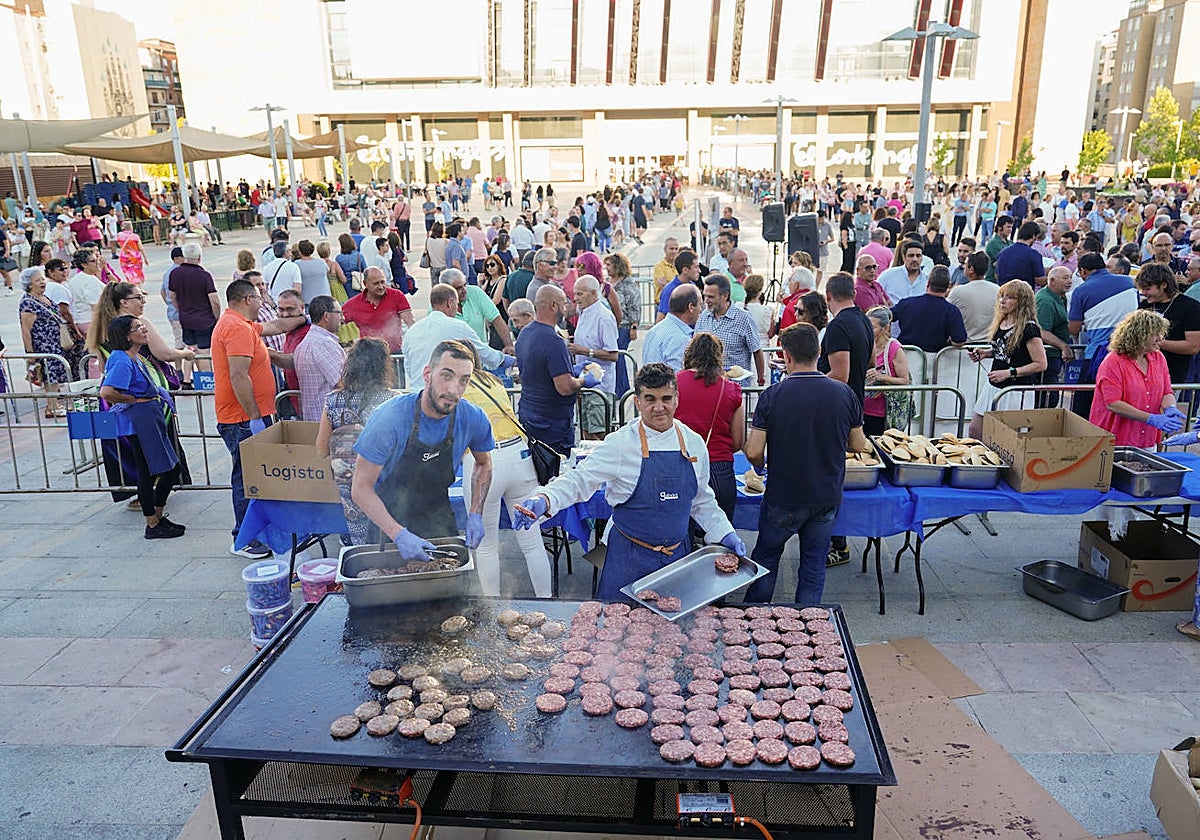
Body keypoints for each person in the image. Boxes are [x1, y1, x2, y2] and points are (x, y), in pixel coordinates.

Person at [513, 363, 743, 598]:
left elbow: (701, 500)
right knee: (616, 629)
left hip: (677, 559)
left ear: (677, 399)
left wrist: (724, 532)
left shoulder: (693, 443)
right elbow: (579, 479)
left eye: (666, 398)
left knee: (674, 629)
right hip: (628, 559)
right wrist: (544, 498)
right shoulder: (620, 444)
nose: (658, 407)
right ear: (637, 402)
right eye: (650, 399)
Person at [743, 323, 867, 604]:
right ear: (819, 352)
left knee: (765, 561)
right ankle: (807, 622)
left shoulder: (772, 396)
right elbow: (858, 444)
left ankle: (754, 617)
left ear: (786, 356)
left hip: (783, 495)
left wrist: (761, 466)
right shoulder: (844, 393)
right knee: (813, 566)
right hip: (825, 495)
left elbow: (753, 450)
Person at [351, 339, 494, 558]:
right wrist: (398, 534)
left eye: (463, 381)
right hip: (388, 522)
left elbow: (483, 463)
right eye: (446, 376)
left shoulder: (473, 418)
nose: (453, 389)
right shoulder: (389, 418)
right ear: (427, 374)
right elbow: (360, 488)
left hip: (439, 519)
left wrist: (476, 513)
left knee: (448, 588)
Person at [211, 279, 307, 558]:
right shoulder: (236, 328)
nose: (263, 303)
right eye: (259, 298)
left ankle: (254, 532)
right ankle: (244, 538)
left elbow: (276, 326)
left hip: (248, 415)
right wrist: (254, 417)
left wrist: (305, 317)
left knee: (251, 475)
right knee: (246, 477)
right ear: (247, 299)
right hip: (242, 418)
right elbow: (238, 374)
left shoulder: (239, 324)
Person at [457, 343, 553, 597]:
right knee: (532, 543)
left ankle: (493, 611)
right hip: (519, 457)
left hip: (483, 459)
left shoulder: (455, 385)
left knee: (486, 546)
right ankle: (548, 601)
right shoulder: (491, 381)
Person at [98, 315, 184, 539]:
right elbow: (107, 392)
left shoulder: (133, 356)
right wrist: (133, 401)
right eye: (138, 327)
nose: (144, 329)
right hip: (140, 419)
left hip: (148, 416)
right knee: (157, 470)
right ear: (127, 336)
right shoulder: (122, 359)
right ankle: (153, 523)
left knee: (166, 468)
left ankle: (156, 518)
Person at [315, 338, 395, 546]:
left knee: (359, 538)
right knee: (388, 534)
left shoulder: (333, 400)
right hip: (384, 478)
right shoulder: (392, 400)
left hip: (348, 480)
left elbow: (321, 449)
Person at [817, 272, 873, 566]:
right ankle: (835, 540)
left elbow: (840, 375)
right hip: (853, 405)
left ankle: (836, 544)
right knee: (835, 476)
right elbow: (871, 362)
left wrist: (808, 379)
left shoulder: (838, 325)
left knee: (831, 479)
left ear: (828, 297)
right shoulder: (863, 319)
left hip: (837, 410)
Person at [515, 285, 600, 457]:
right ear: (553, 305)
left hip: (530, 414)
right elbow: (565, 387)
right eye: (563, 303)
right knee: (556, 473)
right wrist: (584, 380)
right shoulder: (554, 341)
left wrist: (570, 370)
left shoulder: (525, 333)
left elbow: (538, 370)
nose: (567, 308)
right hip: (551, 422)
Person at [675, 332, 744, 523]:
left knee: (680, 538)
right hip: (718, 468)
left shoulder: (673, 384)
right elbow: (738, 442)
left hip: (680, 465)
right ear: (718, 357)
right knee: (719, 535)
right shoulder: (731, 390)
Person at [967, 280, 1049, 438]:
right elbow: (1005, 350)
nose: (1002, 301)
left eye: (1009, 297)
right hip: (994, 386)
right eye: (1001, 296)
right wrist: (986, 353)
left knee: (1008, 438)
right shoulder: (1002, 322)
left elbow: (1041, 363)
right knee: (975, 430)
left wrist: (1009, 372)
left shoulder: (1029, 328)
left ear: (1021, 302)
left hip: (1016, 391)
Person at [1089, 309, 1182, 447]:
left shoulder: (1158, 358)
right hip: (1116, 440)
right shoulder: (1113, 362)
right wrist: (1150, 418)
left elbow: (1166, 391)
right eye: (1155, 334)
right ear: (1139, 336)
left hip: (1148, 439)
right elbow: (1113, 403)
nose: (1160, 339)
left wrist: (1170, 408)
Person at [1068, 252, 1140, 419]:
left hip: (1097, 355)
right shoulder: (1130, 283)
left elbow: (1074, 329)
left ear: (1083, 271)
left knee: (1084, 403)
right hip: (1130, 353)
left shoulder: (1080, 291)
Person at [402, 282, 510, 389]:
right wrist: (506, 360)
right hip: (442, 395)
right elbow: (483, 352)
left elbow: (408, 367)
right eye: (456, 304)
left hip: (416, 393)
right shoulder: (458, 327)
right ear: (450, 303)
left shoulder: (412, 331)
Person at [567, 274, 618, 438]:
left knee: (599, 435)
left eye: (580, 294)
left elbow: (613, 354)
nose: (575, 298)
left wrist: (584, 351)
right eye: (575, 294)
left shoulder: (604, 317)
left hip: (600, 388)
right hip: (584, 385)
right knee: (586, 434)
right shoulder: (583, 313)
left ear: (594, 294)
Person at [1135, 262, 1200, 387]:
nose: (1143, 292)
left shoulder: (1190, 307)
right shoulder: (1145, 306)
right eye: (1142, 288)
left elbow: (1193, 347)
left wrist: (1155, 343)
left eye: (1147, 288)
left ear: (1164, 285)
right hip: (1146, 374)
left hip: (1178, 376)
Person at [18, 267, 70, 417]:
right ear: (29, 284)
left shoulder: (44, 297)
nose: (42, 282)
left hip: (54, 343)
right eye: (37, 280)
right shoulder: (28, 302)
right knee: (49, 376)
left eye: (42, 279)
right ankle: (51, 406)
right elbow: (26, 330)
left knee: (54, 377)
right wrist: (31, 354)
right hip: (43, 345)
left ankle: (55, 404)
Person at [696, 273, 764, 387]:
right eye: (705, 296)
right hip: (708, 386)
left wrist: (760, 381)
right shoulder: (704, 316)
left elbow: (757, 351)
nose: (706, 301)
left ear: (725, 296)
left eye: (711, 297)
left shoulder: (743, 318)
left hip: (735, 387)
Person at [891, 266, 968, 353]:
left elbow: (887, 316)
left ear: (928, 283)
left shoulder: (906, 303)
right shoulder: (952, 311)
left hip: (905, 357)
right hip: (935, 360)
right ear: (948, 286)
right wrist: (948, 344)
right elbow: (959, 340)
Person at [294, 296, 347, 422]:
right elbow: (343, 383)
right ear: (327, 316)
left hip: (316, 420)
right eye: (339, 313)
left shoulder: (309, 341)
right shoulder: (323, 344)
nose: (342, 318)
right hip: (328, 423)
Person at [341, 266, 415, 354]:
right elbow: (335, 321)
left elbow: (410, 322)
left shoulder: (396, 295)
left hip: (394, 353)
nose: (381, 286)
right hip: (368, 356)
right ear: (365, 284)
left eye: (382, 282)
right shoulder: (353, 304)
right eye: (376, 283)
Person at [862, 307, 911, 436]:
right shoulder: (864, 344)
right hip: (862, 409)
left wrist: (881, 377)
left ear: (885, 328)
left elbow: (905, 380)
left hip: (884, 414)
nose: (868, 330)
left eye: (872, 327)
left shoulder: (894, 348)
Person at [441, 268, 515, 353]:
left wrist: (508, 345)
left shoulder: (475, 292)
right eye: (459, 288)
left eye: (465, 285)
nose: (464, 290)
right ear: (446, 290)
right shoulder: (438, 305)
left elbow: (496, 319)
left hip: (480, 357)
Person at [1035, 265, 1075, 407]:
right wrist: (1063, 346)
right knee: (1047, 400)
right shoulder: (1045, 301)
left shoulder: (1060, 297)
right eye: (1065, 278)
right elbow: (1041, 331)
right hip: (1046, 358)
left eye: (1070, 277)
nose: (1069, 281)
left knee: (1051, 399)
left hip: (1054, 358)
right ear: (1051, 281)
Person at [642, 283, 700, 371]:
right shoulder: (680, 338)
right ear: (691, 307)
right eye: (700, 304)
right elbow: (677, 378)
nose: (701, 309)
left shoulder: (654, 330)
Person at [607, 252, 640, 395]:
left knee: (618, 356)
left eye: (609, 265)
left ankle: (622, 389)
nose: (607, 268)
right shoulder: (609, 283)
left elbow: (634, 306)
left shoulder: (628, 284)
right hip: (612, 325)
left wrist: (634, 326)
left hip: (624, 326)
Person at [948, 251, 998, 342]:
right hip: (988, 345)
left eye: (966, 265)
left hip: (965, 346)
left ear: (971, 269)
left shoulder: (958, 291)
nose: (963, 267)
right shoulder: (997, 290)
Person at [995, 221, 1048, 289]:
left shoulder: (1002, 253)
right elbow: (1040, 280)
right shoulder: (1034, 254)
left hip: (1004, 293)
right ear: (1033, 236)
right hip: (1023, 294)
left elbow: (996, 275)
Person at [877, 239, 931, 304]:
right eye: (911, 256)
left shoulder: (927, 280)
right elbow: (875, 292)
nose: (915, 259)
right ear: (904, 257)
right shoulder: (888, 275)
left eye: (918, 256)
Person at [743, 274, 773, 347]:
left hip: (743, 346)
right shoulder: (767, 310)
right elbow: (771, 333)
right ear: (760, 291)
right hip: (762, 347)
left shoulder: (737, 306)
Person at [984, 215, 1014, 283]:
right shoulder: (993, 244)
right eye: (1008, 227)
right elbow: (999, 263)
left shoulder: (1011, 243)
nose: (1010, 229)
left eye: (1011, 227)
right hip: (993, 281)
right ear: (999, 227)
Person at [652, 238, 680, 302]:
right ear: (665, 250)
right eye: (671, 249)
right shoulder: (659, 266)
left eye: (676, 249)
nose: (674, 251)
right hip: (663, 303)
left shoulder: (680, 265)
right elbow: (663, 285)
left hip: (677, 303)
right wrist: (679, 286)